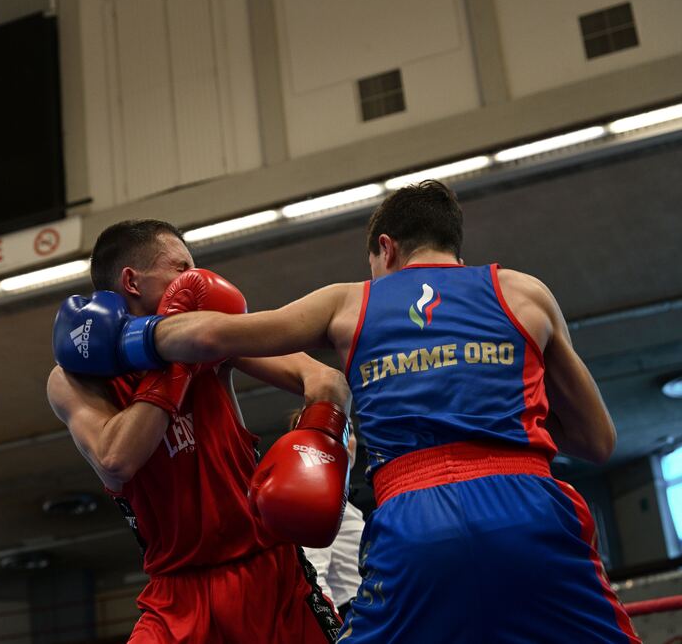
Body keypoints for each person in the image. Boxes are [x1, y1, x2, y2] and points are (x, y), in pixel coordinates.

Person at [76, 183, 640, 643]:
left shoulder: (352, 303)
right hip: (530, 503)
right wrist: (510, 427)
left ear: (386, 249)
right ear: (456, 247)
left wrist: (121, 337)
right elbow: (597, 440)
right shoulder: (525, 293)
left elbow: (214, 333)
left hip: (414, 519)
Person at [47, 219, 347, 643]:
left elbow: (324, 379)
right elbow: (117, 459)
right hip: (177, 597)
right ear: (132, 281)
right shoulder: (74, 380)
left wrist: (320, 439)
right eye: (180, 267)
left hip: (270, 575)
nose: (194, 278)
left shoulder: (213, 337)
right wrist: (177, 360)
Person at [302, 427, 364, 620]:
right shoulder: (317, 501)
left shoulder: (344, 504)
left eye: (350, 431)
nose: (345, 440)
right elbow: (316, 576)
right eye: (333, 432)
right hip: (351, 612)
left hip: (372, 606)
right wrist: (335, 629)